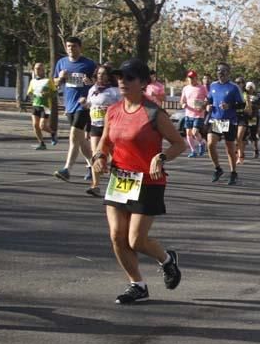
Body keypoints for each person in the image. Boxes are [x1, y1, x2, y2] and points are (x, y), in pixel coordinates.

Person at [90, 58, 186, 304]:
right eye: (120, 77)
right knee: (116, 236)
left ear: (143, 82)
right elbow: (106, 141)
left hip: (148, 181)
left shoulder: (154, 112)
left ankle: (167, 260)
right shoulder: (113, 110)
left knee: (136, 240)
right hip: (120, 178)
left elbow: (179, 144)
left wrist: (162, 157)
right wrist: (100, 155)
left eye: (129, 77)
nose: (122, 81)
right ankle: (137, 284)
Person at [52, 37, 97, 182]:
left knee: (73, 135)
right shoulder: (62, 63)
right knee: (81, 141)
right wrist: (60, 78)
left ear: (80, 47)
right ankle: (92, 166)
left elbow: (98, 83)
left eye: (74, 46)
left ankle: (67, 169)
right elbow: (55, 83)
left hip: (83, 105)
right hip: (69, 105)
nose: (71, 49)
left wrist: (91, 83)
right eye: (68, 46)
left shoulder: (89, 64)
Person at [82, 65, 122, 197]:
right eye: (98, 73)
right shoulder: (92, 89)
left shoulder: (115, 91)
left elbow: (122, 108)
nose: (100, 76)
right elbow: (90, 106)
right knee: (95, 155)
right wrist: (84, 104)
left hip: (111, 127)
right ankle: (95, 185)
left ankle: (117, 184)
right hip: (95, 125)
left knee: (116, 157)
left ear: (109, 76)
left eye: (103, 74)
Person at [206, 63, 244, 185]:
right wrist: (208, 105)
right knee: (210, 144)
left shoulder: (234, 87)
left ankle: (233, 172)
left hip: (229, 121)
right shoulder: (213, 85)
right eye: (218, 71)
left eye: (223, 71)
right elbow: (209, 100)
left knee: (229, 148)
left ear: (228, 73)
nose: (220, 73)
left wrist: (230, 106)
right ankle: (218, 169)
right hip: (216, 120)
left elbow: (242, 105)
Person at [27, 62, 56, 150]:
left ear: (44, 70)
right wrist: (31, 96)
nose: (38, 70)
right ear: (34, 70)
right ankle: (42, 143)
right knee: (35, 125)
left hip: (46, 106)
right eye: (36, 68)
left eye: (40, 68)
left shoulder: (48, 81)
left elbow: (55, 93)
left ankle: (53, 133)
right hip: (36, 105)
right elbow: (29, 93)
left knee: (42, 126)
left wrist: (47, 94)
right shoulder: (32, 81)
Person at [179, 70, 207, 158]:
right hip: (188, 114)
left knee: (195, 132)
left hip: (198, 114)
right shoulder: (186, 88)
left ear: (196, 78)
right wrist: (183, 104)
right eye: (189, 78)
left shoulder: (202, 88)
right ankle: (193, 151)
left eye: (192, 78)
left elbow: (208, 98)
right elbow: (182, 100)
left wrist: (203, 106)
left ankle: (201, 143)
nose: (191, 79)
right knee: (188, 133)